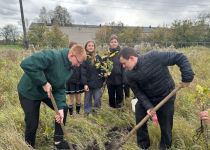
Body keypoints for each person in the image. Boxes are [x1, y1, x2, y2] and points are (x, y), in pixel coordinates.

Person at [118, 47, 194, 150]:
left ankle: (165, 147)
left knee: (166, 126)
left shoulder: (154, 56)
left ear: (131, 58)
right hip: (147, 98)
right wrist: (148, 106)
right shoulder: (129, 73)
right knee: (140, 119)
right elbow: (137, 91)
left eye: (124, 63)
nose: (123, 66)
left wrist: (187, 78)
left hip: (166, 96)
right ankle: (143, 146)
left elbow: (180, 57)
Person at [17, 45, 86, 149]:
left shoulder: (70, 68)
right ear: (72, 55)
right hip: (29, 92)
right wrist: (43, 83)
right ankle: (29, 146)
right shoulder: (51, 56)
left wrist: (60, 108)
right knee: (32, 123)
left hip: (46, 92)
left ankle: (58, 142)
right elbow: (26, 64)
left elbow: (60, 87)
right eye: (78, 62)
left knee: (64, 109)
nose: (79, 65)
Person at [81, 41, 105, 116]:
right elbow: (83, 72)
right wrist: (85, 84)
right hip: (88, 82)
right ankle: (88, 111)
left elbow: (102, 69)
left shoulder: (98, 57)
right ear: (86, 47)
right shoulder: (84, 58)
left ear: (94, 47)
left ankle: (97, 110)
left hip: (97, 82)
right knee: (88, 98)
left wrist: (103, 76)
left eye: (92, 46)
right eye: (89, 45)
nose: (91, 47)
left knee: (97, 97)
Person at [103, 34, 126, 108]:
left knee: (120, 95)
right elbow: (103, 66)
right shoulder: (107, 54)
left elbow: (124, 68)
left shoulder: (122, 54)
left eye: (115, 42)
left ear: (118, 43)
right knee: (111, 95)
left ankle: (120, 109)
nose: (113, 43)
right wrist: (104, 73)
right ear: (110, 43)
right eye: (112, 42)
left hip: (119, 78)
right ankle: (112, 108)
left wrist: (124, 81)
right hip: (110, 79)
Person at [66, 42, 84, 116]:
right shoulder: (68, 59)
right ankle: (71, 114)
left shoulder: (80, 58)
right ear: (70, 48)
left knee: (79, 98)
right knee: (71, 99)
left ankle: (78, 113)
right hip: (71, 81)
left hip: (78, 81)